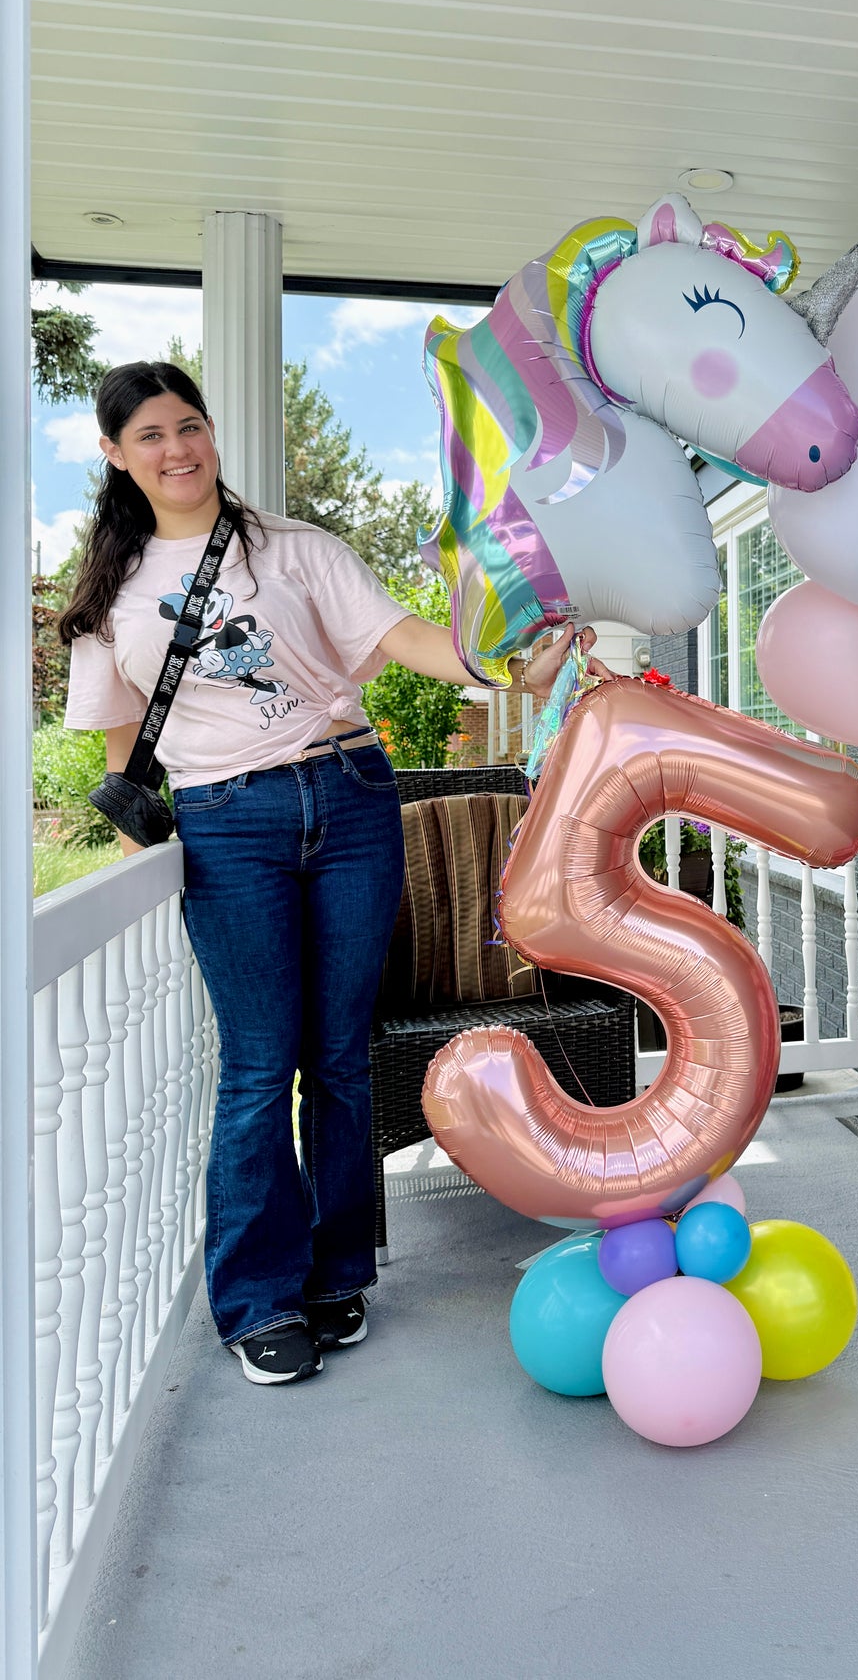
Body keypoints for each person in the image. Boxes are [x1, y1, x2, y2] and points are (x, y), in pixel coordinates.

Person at [61, 360, 589, 1386]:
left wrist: (501, 666)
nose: (178, 450)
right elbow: (125, 753)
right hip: (227, 826)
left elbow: (400, 639)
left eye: (188, 426)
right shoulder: (112, 600)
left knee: (340, 1058)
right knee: (261, 1066)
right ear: (118, 457)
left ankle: (337, 1271)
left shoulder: (296, 551)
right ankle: (257, 1298)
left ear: (210, 432)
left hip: (349, 798)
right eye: (152, 437)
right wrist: (142, 861)